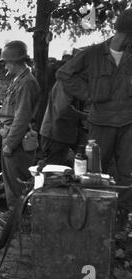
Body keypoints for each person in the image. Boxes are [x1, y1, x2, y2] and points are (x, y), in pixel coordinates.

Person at [56, 8, 132, 231]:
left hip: (129, 123)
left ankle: (119, 223)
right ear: (126, 33)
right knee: (95, 173)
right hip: (100, 123)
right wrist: (88, 95)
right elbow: (64, 74)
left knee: (128, 174)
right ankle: (91, 221)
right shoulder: (93, 54)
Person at [0, 41, 40, 221]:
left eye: (6, 62)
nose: (5, 66)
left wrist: (10, 144)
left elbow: (21, 118)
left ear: (15, 61)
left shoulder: (27, 83)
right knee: (11, 178)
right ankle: (16, 213)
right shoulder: (18, 80)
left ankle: (17, 217)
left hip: (19, 140)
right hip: (10, 135)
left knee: (18, 180)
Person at [40, 80, 88, 165]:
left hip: (62, 134)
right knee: (53, 170)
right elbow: (63, 109)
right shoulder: (66, 81)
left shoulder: (72, 82)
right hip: (56, 135)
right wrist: (86, 116)